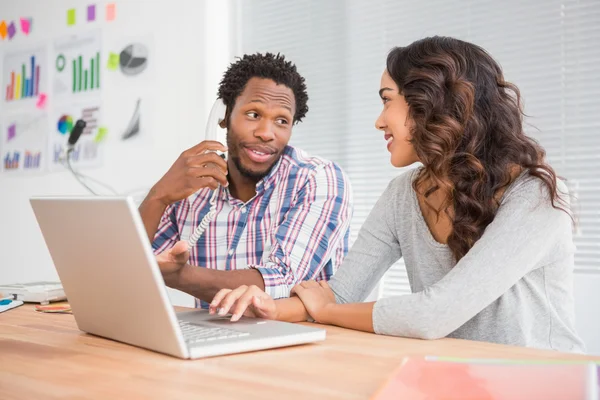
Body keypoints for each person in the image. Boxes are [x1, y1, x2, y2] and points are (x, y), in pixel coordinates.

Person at [209, 36, 586, 353]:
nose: (378, 120)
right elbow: (340, 294)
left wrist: (324, 312)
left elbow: (432, 315)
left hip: (543, 383)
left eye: (387, 99)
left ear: (430, 103)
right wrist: (269, 307)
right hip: (458, 380)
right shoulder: (403, 194)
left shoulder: (535, 197)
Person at [139, 53, 353, 308]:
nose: (266, 133)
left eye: (282, 121)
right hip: (212, 338)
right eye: (253, 114)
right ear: (224, 114)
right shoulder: (193, 188)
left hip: (297, 341)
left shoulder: (317, 179)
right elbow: (124, 269)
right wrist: (158, 196)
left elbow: (281, 282)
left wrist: (179, 276)